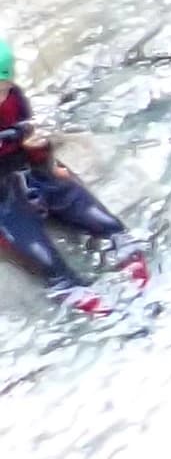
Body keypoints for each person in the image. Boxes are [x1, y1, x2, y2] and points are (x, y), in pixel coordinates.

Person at [0, 41, 142, 312]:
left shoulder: (14, 99)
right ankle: (70, 287)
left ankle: (124, 249)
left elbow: (29, 134)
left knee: (89, 210)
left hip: (28, 170)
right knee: (44, 258)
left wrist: (43, 156)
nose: (1, 95)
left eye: (3, 89)